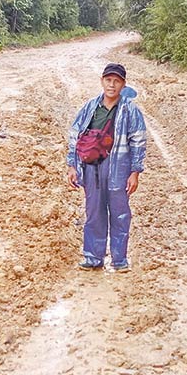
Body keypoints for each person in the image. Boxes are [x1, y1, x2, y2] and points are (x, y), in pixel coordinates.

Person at [66, 63, 147, 272]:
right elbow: (75, 136)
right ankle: (93, 257)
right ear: (102, 81)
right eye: (108, 80)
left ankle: (119, 260)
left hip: (119, 167)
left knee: (120, 213)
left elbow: (138, 141)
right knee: (94, 212)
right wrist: (72, 165)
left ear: (123, 84)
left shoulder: (130, 110)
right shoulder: (90, 107)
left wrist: (135, 172)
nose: (112, 85)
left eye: (117, 81)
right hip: (92, 166)